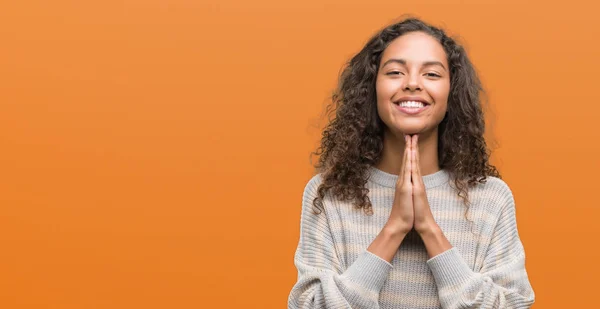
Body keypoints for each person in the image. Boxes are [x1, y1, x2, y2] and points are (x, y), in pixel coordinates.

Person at [287, 17, 535, 309]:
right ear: (372, 88)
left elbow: (513, 304)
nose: (413, 84)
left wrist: (429, 228)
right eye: (395, 72)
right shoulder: (328, 194)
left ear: (451, 93)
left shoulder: (491, 199)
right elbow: (310, 305)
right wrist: (395, 228)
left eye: (431, 74)